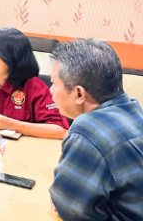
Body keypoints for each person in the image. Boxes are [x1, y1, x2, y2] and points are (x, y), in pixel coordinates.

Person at [49, 39, 143, 221]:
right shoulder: (134, 110)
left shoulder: (88, 131)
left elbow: (67, 209)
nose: (51, 90)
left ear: (78, 94)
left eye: (54, 82)